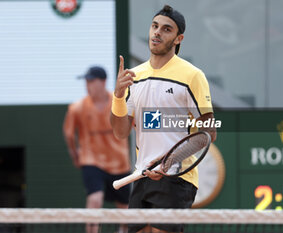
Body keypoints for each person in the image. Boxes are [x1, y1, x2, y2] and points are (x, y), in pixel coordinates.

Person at [110, 5, 216, 233]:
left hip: (176, 178)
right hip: (141, 176)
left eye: (166, 29)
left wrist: (168, 163)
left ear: (179, 39)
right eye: (154, 26)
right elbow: (120, 132)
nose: (157, 32)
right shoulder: (134, 77)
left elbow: (208, 133)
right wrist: (118, 96)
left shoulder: (193, 76)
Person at [63, 66, 131, 233]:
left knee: (125, 210)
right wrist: (75, 155)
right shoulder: (76, 108)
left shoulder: (120, 103)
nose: (88, 85)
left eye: (91, 81)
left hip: (120, 164)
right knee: (95, 199)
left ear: (103, 82)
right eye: (86, 81)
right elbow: (69, 135)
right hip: (91, 161)